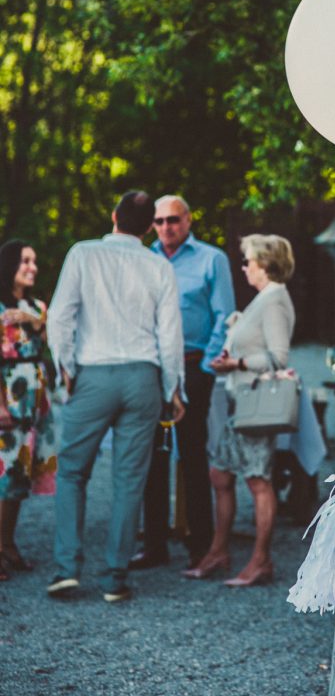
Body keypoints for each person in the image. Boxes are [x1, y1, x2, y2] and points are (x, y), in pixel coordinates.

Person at [46, 191, 185, 603]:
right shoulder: (159, 265)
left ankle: (67, 568)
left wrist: (65, 368)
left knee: (72, 472)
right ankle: (114, 578)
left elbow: (59, 317)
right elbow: (170, 335)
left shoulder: (82, 254)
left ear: (113, 217)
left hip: (93, 374)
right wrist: (173, 389)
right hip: (143, 378)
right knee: (130, 479)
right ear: (149, 228)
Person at [131, 195, 235, 571]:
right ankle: (154, 543)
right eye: (159, 221)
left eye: (173, 219)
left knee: (193, 454)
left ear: (188, 219)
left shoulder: (211, 259)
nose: (166, 227)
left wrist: (206, 367)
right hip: (152, 367)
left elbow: (225, 315)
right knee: (152, 456)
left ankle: (200, 542)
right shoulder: (144, 258)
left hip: (193, 366)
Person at [185, 234, 295, 587]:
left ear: (264, 263)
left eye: (248, 261)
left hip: (256, 404)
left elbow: (278, 357)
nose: (244, 267)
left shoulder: (274, 300)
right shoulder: (263, 298)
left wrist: (237, 363)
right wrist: (231, 356)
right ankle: (218, 551)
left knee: (258, 481)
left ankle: (261, 560)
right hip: (241, 403)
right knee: (220, 474)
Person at [0, 240, 57, 581]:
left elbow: (54, 341)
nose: (32, 267)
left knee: (20, 475)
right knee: (3, 474)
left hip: (34, 397)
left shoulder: (37, 307)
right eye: (25, 261)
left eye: (34, 261)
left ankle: (7, 543)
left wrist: (32, 320)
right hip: (9, 392)